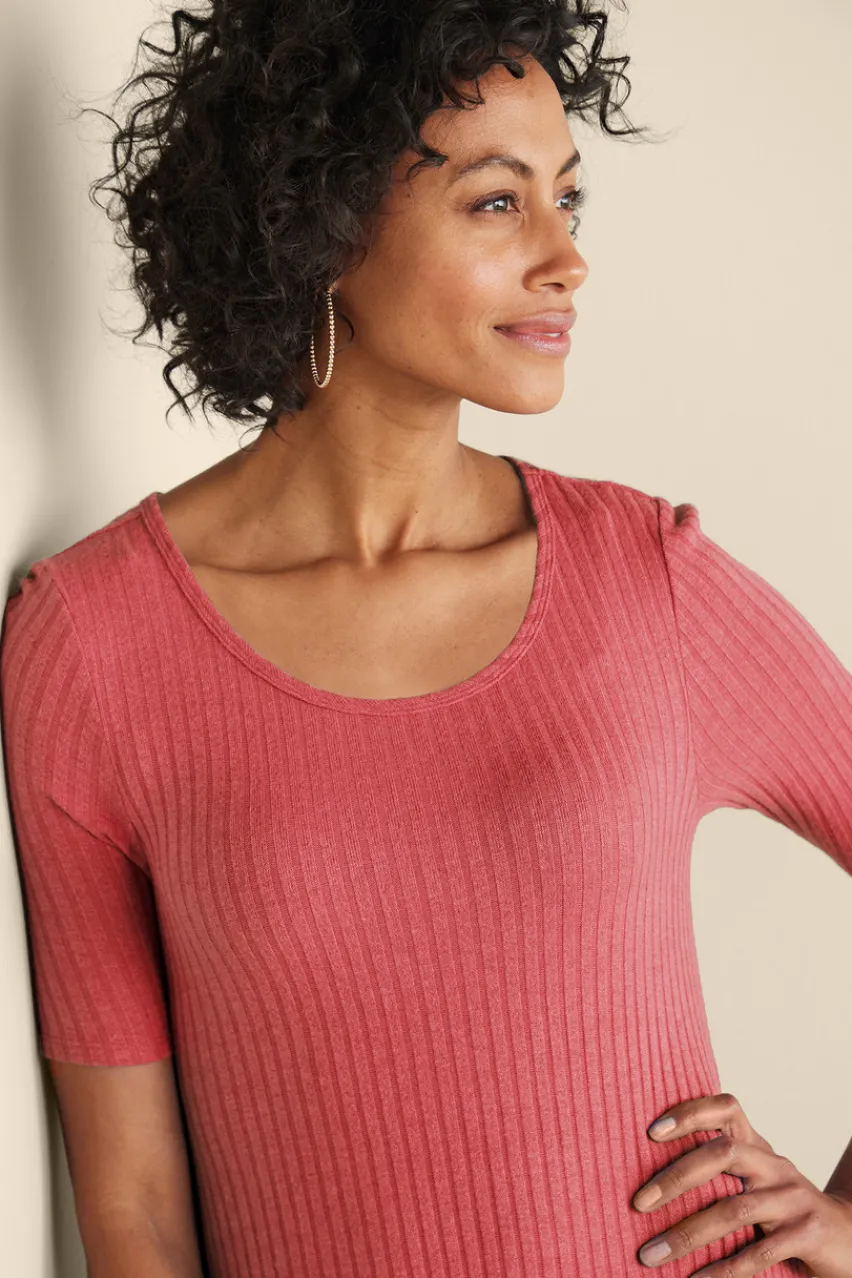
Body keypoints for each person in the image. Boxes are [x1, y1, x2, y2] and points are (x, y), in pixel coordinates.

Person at [1, 2, 851, 1277]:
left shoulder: (646, 583)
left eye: (568, 198)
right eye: (499, 203)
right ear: (323, 222)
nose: (568, 260)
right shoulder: (95, 645)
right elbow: (133, 1212)